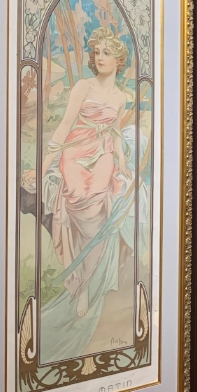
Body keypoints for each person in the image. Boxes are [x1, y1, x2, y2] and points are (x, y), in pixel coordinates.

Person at [22, 26, 133, 362]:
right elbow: (65, 125)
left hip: (103, 153)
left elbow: (115, 133)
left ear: (118, 59)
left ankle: (88, 283)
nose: (99, 58)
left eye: (106, 53)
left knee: (98, 204)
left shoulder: (122, 97)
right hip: (75, 151)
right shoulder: (83, 86)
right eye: (96, 52)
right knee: (76, 200)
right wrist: (43, 167)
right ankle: (79, 285)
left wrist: (123, 164)